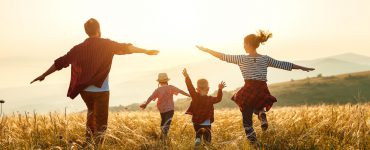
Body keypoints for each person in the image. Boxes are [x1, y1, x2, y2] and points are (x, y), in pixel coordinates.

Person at [30, 18, 159, 145]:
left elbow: (60, 62)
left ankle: (88, 142)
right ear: (98, 30)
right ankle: (97, 146)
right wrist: (145, 51)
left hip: (84, 91)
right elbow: (126, 48)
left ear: (87, 31)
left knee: (91, 114)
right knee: (101, 124)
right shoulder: (107, 44)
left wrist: (43, 75)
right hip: (101, 91)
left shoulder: (78, 48)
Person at [196, 30, 315, 143]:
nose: (243, 46)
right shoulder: (265, 59)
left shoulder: (241, 59)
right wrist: (302, 68)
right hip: (262, 88)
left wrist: (206, 50)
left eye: (244, 44)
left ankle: (253, 142)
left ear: (248, 44)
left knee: (247, 120)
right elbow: (283, 64)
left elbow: (222, 56)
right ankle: (261, 113)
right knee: (258, 105)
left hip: (248, 88)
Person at [182, 68, 226, 147]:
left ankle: (198, 139)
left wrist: (187, 77)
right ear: (208, 89)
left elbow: (190, 87)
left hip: (196, 121)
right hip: (206, 121)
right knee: (207, 135)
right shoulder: (210, 99)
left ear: (197, 89)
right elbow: (218, 99)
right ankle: (207, 146)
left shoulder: (195, 96)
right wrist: (220, 89)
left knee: (198, 132)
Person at [140, 73, 190, 137]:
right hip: (170, 109)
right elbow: (181, 91)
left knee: (163, 122)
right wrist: (189, 95)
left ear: (159, 82)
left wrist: (145, 104)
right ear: (167, 80)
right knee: (166, 124)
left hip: (162, 110)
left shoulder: (157, 90)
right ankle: (163, 137)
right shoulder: (171, 87)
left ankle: (162, 137)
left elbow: (151, 97)